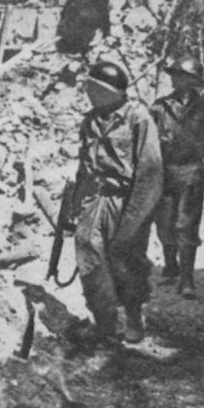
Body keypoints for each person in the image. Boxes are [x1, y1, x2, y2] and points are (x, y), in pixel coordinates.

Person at [73, 61, 163, 344]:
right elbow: (83, 167)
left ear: (109, 91)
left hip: (126, 200)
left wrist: (135, 219)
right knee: (89, 256)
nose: (88, 93)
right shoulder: (90, 120)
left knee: (126, 259)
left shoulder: (138, 118)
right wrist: (76, 205)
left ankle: (134, 317)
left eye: (93, 88)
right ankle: (105, 322)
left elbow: (150, 173)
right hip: (95, 198)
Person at [150, 55, 204, 298]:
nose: (174, 79)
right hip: (164, 174)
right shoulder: (159, 107)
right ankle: (170, 265)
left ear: (192, 80)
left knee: (186, 226)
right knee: (164, 224)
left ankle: (187, 279)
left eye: (179, 75)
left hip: (191, 174)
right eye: (173, 74)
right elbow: (147, 146)